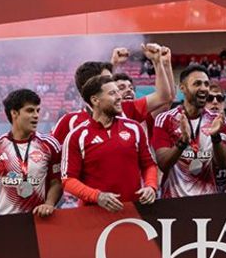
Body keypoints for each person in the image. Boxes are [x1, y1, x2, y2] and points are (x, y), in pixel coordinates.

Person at [61, 75, 158, 211]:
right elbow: (68, 180)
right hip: (93, 215)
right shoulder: (77, 136)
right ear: (95, 100)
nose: (119, 97)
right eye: (112, 93)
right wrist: (97, 196)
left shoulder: (134, 128)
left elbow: (149, 165)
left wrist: (151, 186)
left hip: (133, 212)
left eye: (118, 92)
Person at [0, 89, 62, 221]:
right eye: (30, 110)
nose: (36, 115)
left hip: (37, 223)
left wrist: (49, 204)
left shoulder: (50, 145)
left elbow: (56, 182)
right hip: (3, 223)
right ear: (14, 113)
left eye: (37, 111)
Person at [51, 44, 173, 143]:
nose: (114, 87)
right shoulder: (69, 122)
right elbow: (50, 154)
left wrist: (157, 62)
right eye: (109, 81)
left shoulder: (126, 109)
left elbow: (163, 97)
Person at [153, 65, 226, 198]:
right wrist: (182, 142)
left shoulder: (218, 121)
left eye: (206, 84)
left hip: (208, 200)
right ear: (182, 88)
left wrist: (215, 137)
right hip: (173, 200)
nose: (204, 88)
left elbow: (223, 164)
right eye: (197, 84)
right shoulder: (165, 119)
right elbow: (163, 164)